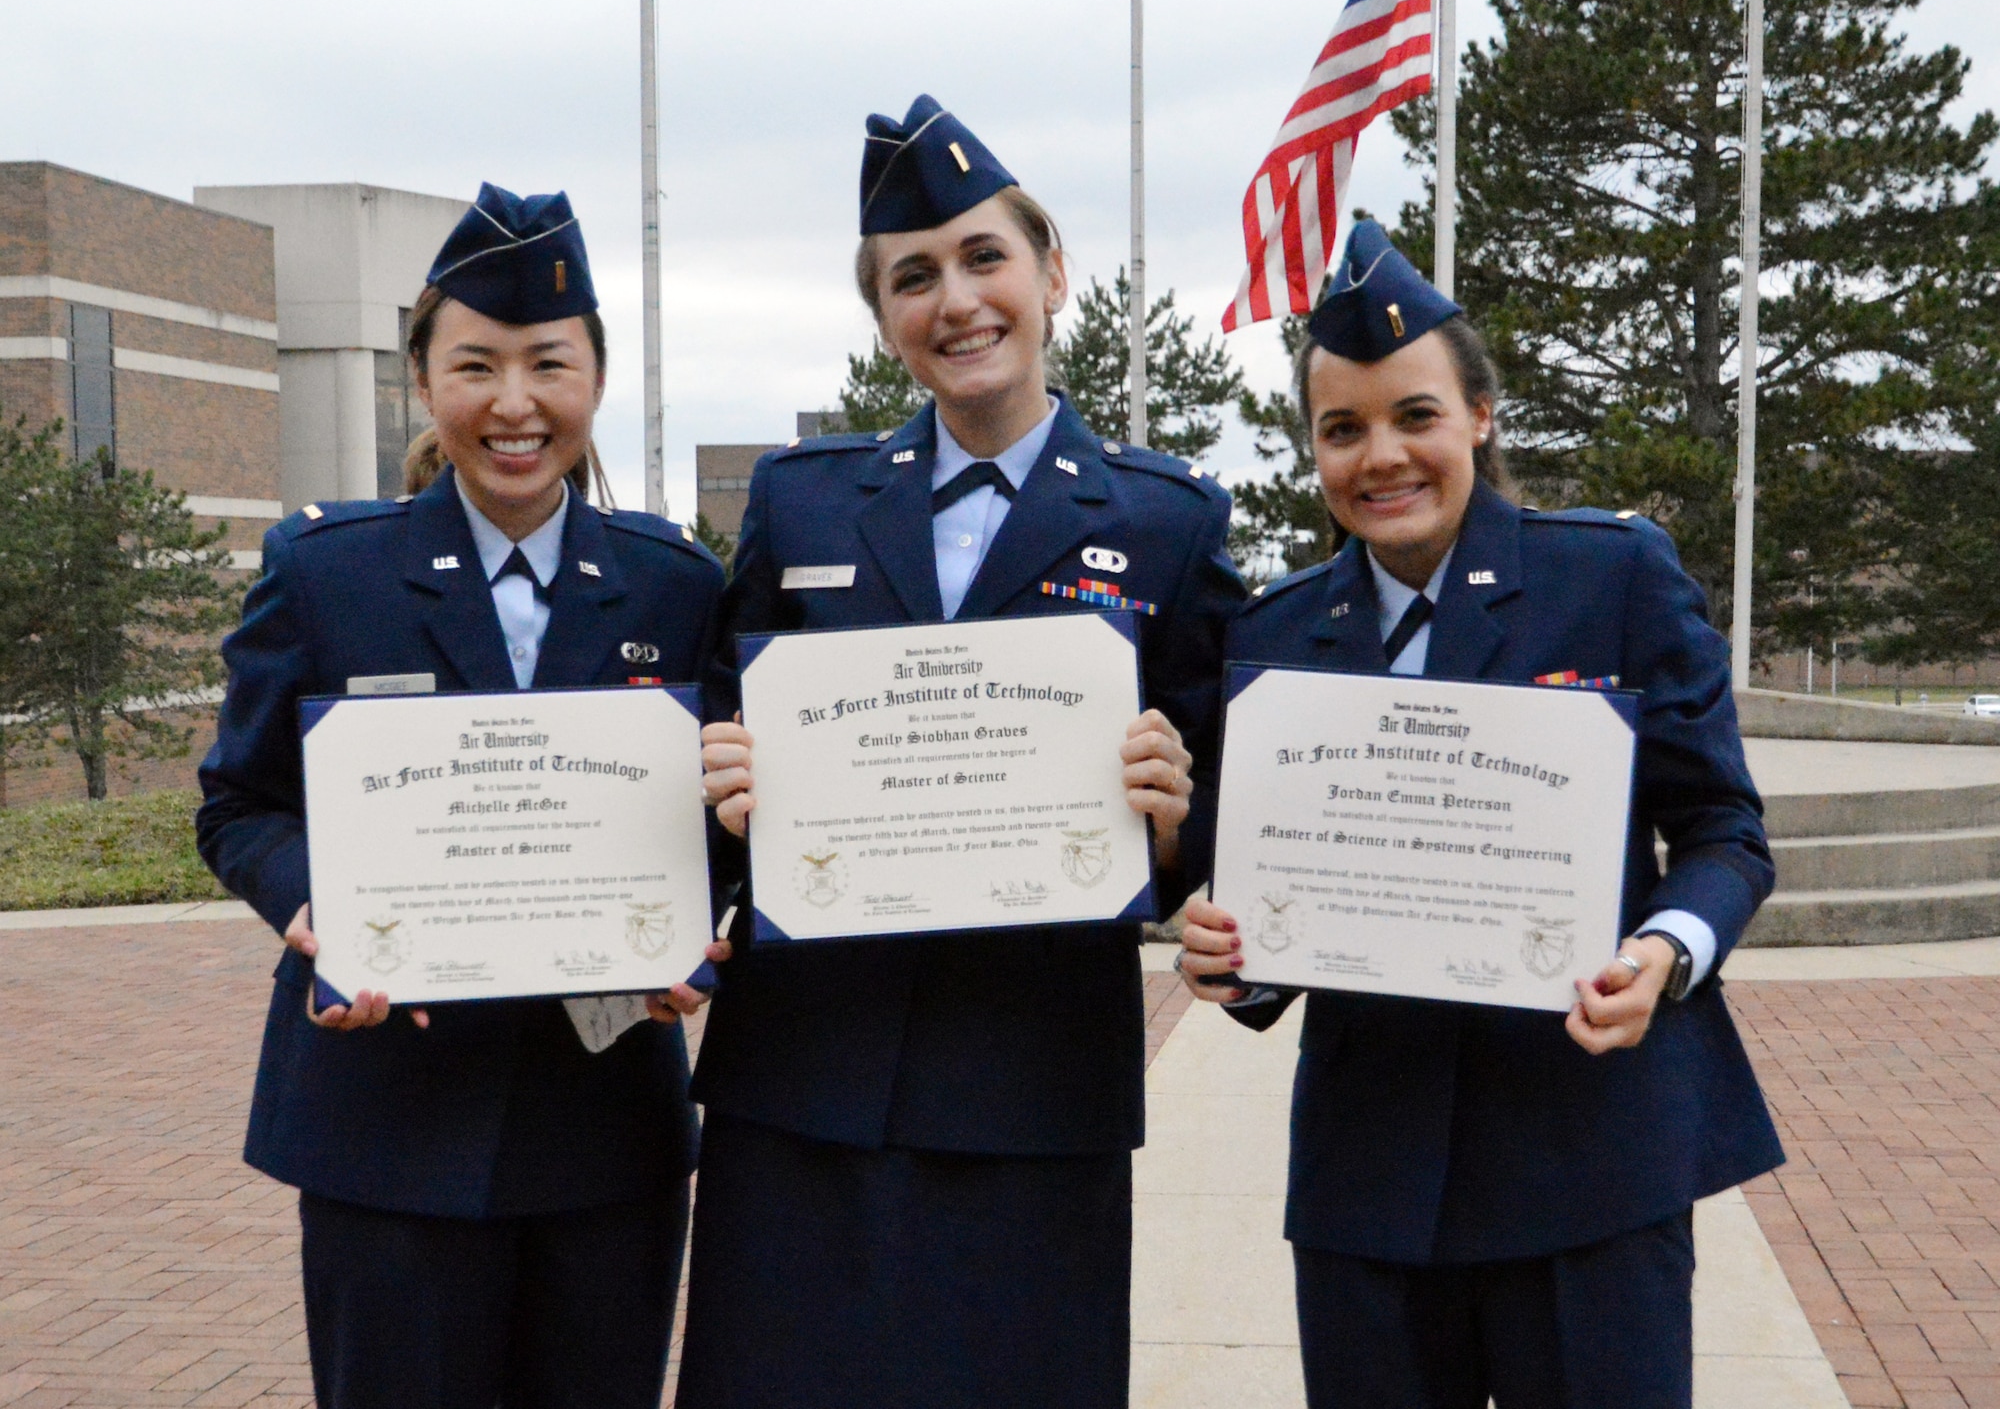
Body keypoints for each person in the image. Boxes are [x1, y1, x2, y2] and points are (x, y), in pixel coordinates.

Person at [676, 95, 1246, 1409]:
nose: (957, 300)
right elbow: (714, 739)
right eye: (912, 277)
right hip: (802, 1086)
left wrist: (1174, 813)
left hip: (1032, 1095)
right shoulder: (802, 500)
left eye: (984, 258)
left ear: (1051, 275)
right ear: (884, 319)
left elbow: (1222, 803)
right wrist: (726, 797)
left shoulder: (1163, 522)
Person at [1178, 218, 1783, 1409]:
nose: (1380, 457)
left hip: (1588, 1158)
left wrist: (1663, 953)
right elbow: (1263, 906)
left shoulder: (1609, 578)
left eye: (1414, 416)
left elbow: (1722, 831)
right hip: (1371, 1179)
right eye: (1340, 429)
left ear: (1480, 418)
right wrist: (1231, 960)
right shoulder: (1279, 636)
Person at [196, 183, 728, 1409]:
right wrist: (309, 905)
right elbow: (239, 803)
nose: (513, 404)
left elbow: (712, 816)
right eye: (474, 363)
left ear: (594, 374)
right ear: (424, 379)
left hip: (602, 1126)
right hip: (387, 1119)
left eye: (548, 363)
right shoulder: (329, 573)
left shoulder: (670, 586)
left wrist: (700, 934)